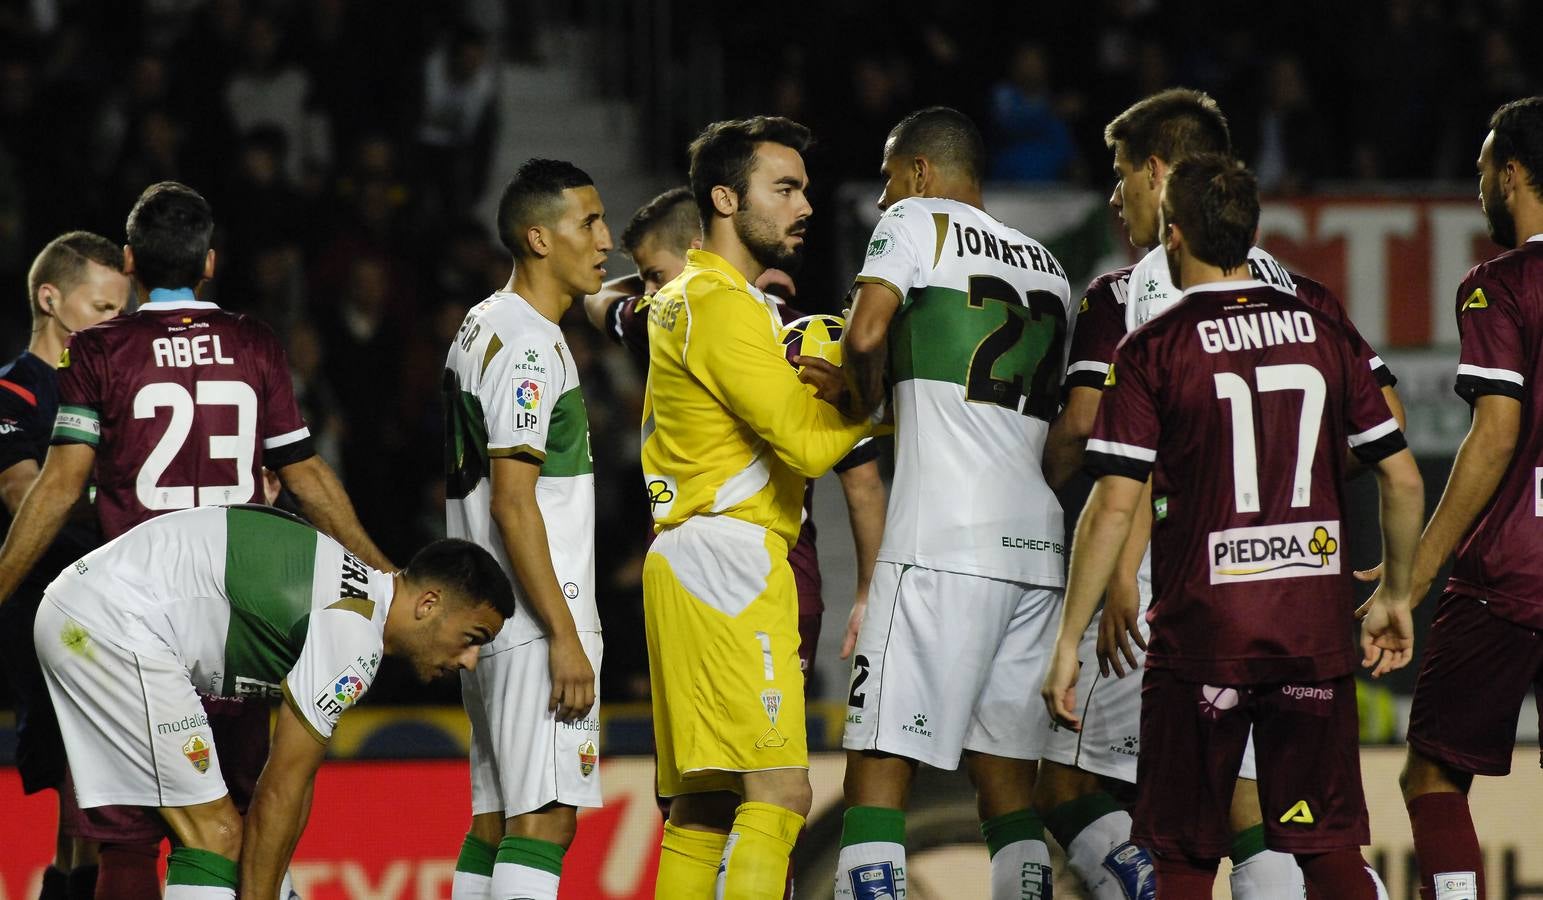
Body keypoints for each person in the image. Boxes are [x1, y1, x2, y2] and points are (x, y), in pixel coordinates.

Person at [1035, 88, 1403, 900]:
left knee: (1092, 796)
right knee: (1280, 811)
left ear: (1163, 182)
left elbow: (1118, 468)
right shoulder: (1304, 296)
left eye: (1123, 173)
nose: (1114, 195)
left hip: (1181, 594)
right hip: (1297, 594)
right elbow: (1389, 435)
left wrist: (1119, 575)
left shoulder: (1131, 298)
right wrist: (1289, 485)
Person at [0, 181, 393, 900]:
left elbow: (57, 488)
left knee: (122, 844)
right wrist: (381, 572)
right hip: (234, 626)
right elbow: (305, 475)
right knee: (233, 824)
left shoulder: (96, 352)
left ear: (130, 260)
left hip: (128, 620)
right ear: (210, 262)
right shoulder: (254, 343)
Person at [832, 106, 1072, 900]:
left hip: (938, 539)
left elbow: (864, 332)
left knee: (876, 764)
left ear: (921, 173)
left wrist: (856, 400)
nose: (881, 195)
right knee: (1008, 789)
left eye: (887, 176)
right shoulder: (1049, 264)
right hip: (1036, 549)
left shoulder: (913, 223)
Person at [33, 504, 513, 900]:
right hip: (107, 626)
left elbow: (295, 787)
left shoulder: (352, 589)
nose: (470, 659)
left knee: (199, 835)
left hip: (85, 614)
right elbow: (280, 787)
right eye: (473, 637)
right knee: (215, 835)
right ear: (428, 604)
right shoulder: (354, 638)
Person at [642, 115, 871, 898]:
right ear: (725, 199)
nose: (803, 205)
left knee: (705, 805)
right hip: (733, 565)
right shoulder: (725, 304)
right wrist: (879, 405)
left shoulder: (681, 297)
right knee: (781, 794)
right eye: (784, 188)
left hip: (684, 558)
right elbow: (809, 448)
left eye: (803, 188)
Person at [585, 185, 887, 689]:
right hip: (708, 574)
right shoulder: (672, 319)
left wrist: (867, 596)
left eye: (655, 276)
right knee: (722, 759)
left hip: (769, 575)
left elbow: (863, 484)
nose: (650, 292)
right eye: (645, 281)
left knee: (763, 760)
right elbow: (597, 297)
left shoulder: (797, 340)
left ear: (699, 255)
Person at [442, 158, 609, 900]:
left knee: (496, 819)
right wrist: (565, 632)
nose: (606, 239)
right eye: (591, 222)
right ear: (539, 238)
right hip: (538, 611)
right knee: (544, 822)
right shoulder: (533, 347)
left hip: (488, 609)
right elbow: (514, 502)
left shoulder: (482, 323)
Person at [1395, 96, 1543, 900]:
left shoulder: (1501, 283)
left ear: (1512, 173)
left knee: (1431, 777)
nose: (1479, 180)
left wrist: (1412, 574)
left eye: (1485, 164)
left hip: (1510, 576)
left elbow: (1492, 434)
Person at [0, 231, 129, 900]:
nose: (117, 323)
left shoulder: (115, 391)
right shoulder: (13, 394)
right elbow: (26, 494)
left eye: (122, 311)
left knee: (87, 821)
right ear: (50, 299)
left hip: (120, 615)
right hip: (51, 622)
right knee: (89, 803)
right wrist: (122, 492)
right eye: (103, 308)